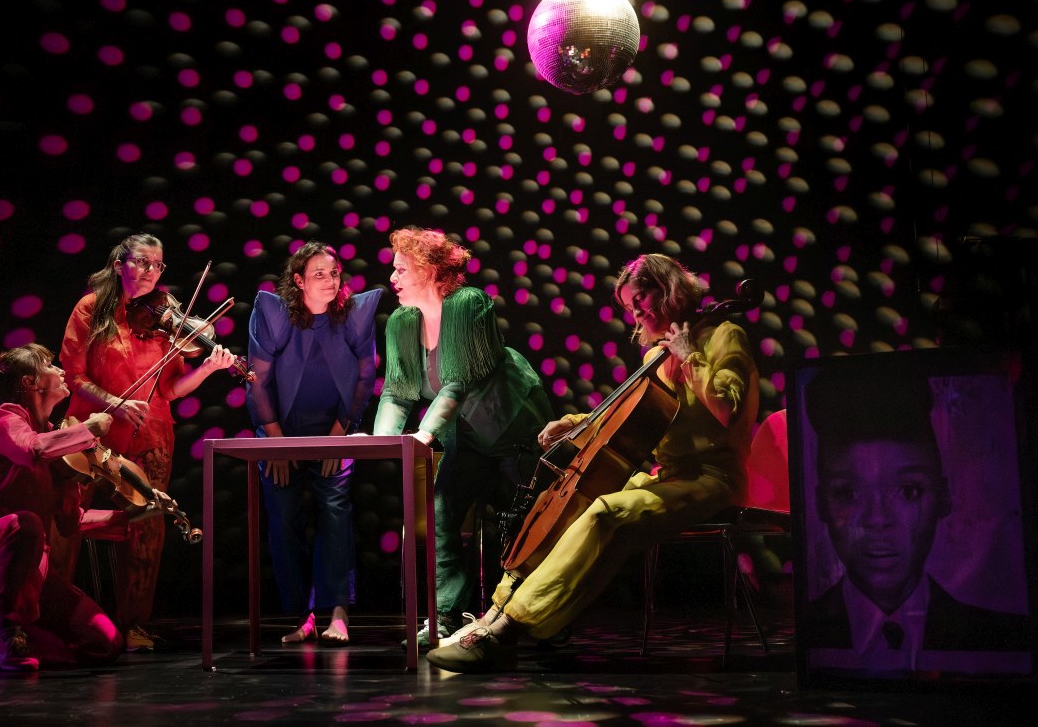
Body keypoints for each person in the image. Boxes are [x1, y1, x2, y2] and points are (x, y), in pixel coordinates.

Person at [427, 253, 759, 672]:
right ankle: (494, 612)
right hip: (670, 476)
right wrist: (572, 424)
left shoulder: (724, 335)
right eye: (629, 306)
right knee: (571, 504)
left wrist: (690, 356)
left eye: (641, 299)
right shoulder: (656, 357)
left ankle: (509, 629)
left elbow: (727, 409)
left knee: (606, 512)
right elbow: (623, 414)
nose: (636, 313)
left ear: (668, 289)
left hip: (714, 479)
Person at [372, 227, 553, 647]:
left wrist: (423, 434)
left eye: (401, 269)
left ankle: (539, 617)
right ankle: (447, 616)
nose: (392, 278)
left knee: (527, 524)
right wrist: (382, 443)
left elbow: (459, 380)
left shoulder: (469, 304)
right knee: (443, 514)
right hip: (465, 436)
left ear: (430, 271)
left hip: (514, 427)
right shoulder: (402, 322)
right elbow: (397, 391)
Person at [57, 233, 236, 651]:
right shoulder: (90, 308)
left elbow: (169, 389)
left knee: (146, 529)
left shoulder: (163, 316)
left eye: (158, 265)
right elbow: (72, 375)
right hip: (91, 433)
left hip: (150, 435)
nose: (151, 272)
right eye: (142, 262)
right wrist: (115, 403)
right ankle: (52, 611)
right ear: (120, 264)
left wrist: (207, 369)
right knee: (65, 520)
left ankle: (134, 624)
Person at [801, 360, 1030, 664]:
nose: (877, 520)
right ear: (819, 503)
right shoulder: (807, 635)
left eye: (908, 491)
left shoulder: (1002, 638)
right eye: (848, 493)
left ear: (944, 497)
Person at [0, 343, 124, 671]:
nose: (61, 370)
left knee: (105, 643)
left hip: (31, 569)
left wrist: (130, 517)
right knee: (25, 523)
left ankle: (16, 632)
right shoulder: (7, 419)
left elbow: (71, 522)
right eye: (50, 364)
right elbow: (31, 449)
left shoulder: (58, 442)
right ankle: (5, 626)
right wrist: (88, 429)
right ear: (29, 382)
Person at [246, 241, 383, 645]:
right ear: (299, 280)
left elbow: (365, 376)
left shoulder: (353, 315)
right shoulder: (274, 314)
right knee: (283, 517)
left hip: (334, 432)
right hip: (278, 433)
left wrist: (338, 437)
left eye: (334, 273)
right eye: (318, 274)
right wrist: (276, 444)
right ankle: (300, 615)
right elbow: (257, 380)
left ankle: (338, 612)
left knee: (336, 511)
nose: (329, 280)